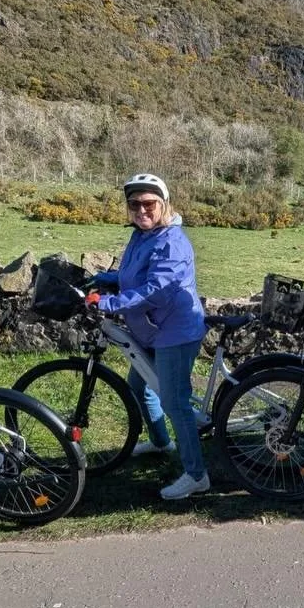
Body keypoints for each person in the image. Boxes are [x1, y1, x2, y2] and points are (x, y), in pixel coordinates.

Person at [91, 173, 210, 501]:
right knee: (140, 386)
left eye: (148, 203)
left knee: (175, 402)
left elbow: (156, 290)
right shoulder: (142, 235)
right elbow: (135, 275)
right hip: (152, 330)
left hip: (175, 331)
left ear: (164, 204)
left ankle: (197, 475)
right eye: (134, 204)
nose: (141, 210)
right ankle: (161, 442)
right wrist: (105, 278)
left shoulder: (171, 241)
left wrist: (110, 303)